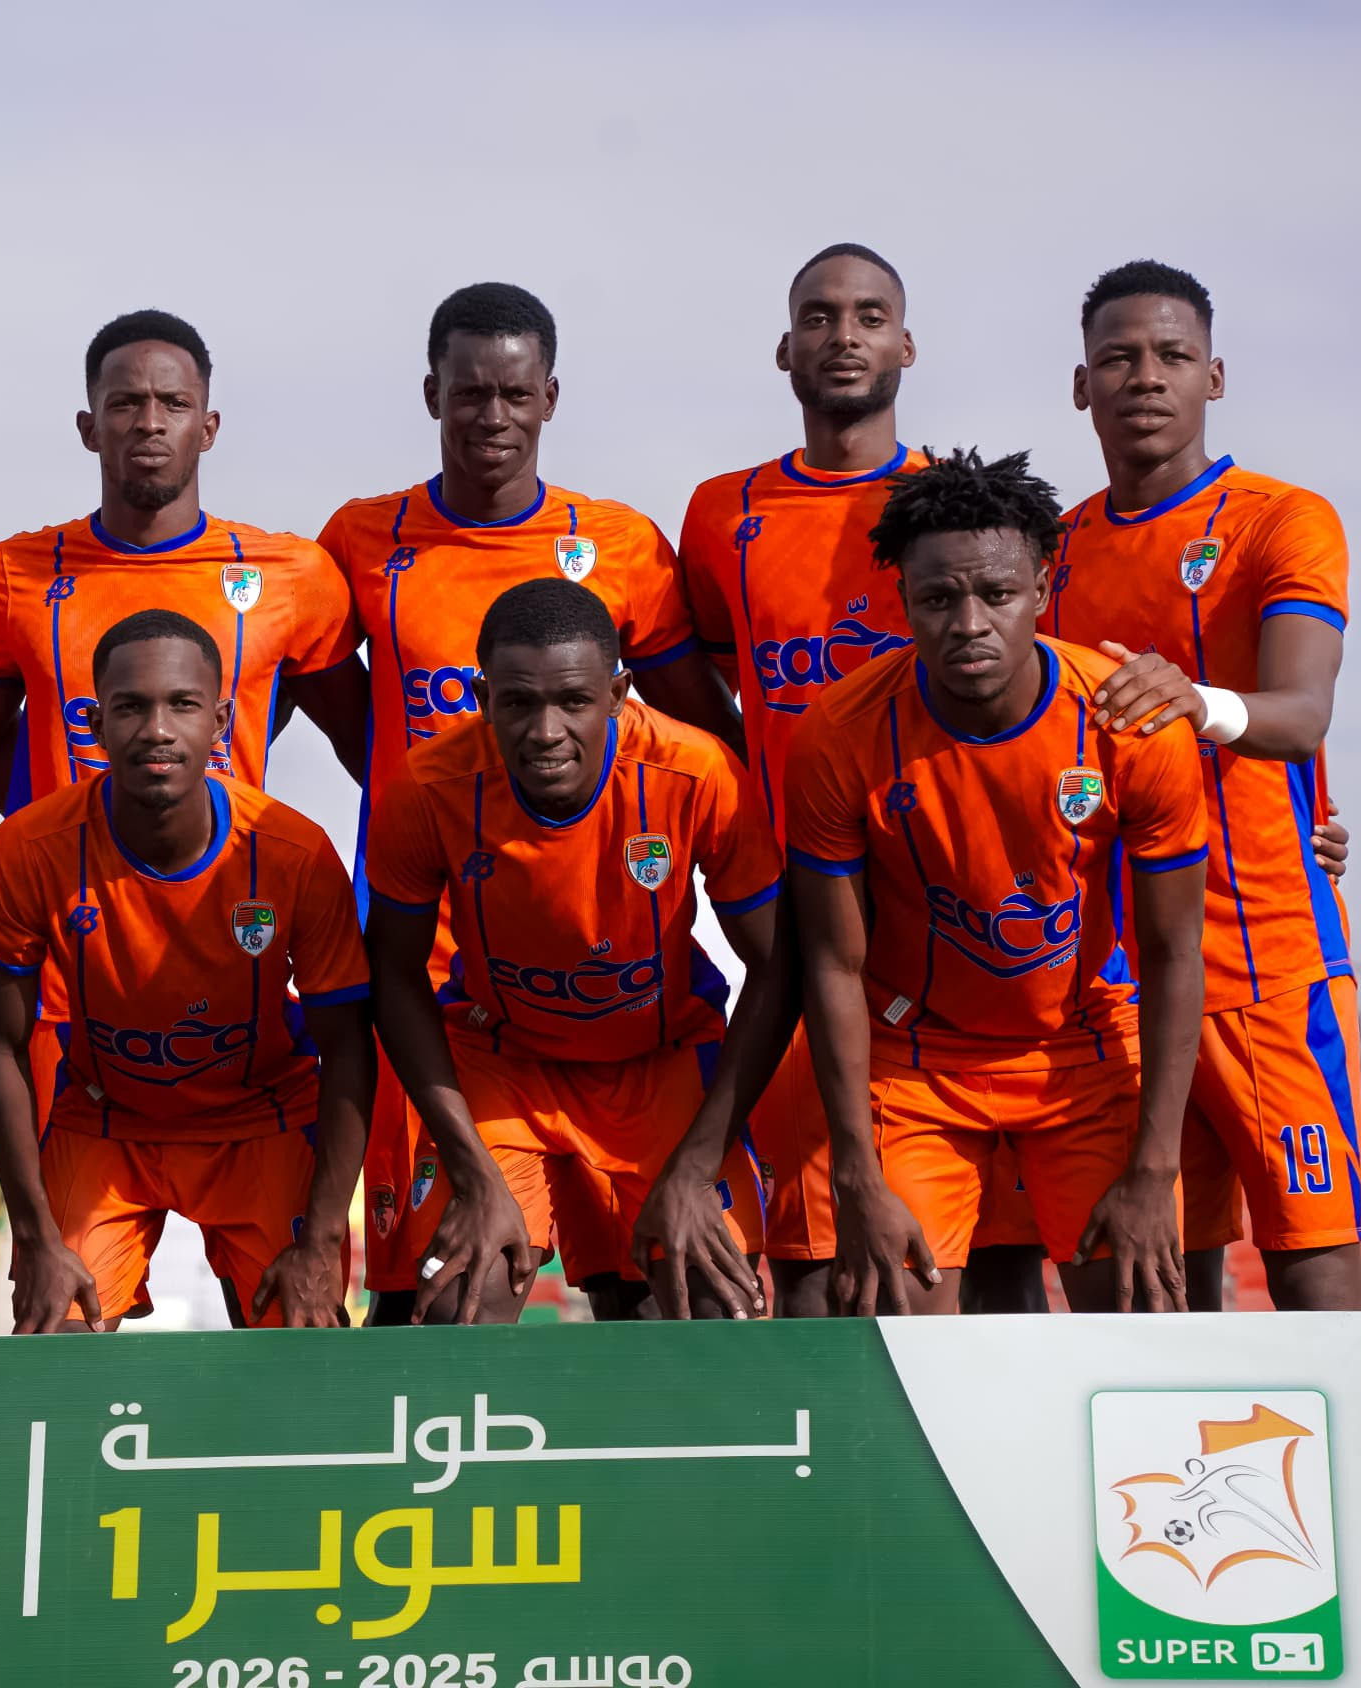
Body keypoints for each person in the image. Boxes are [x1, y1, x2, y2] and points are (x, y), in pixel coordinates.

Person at [1047, 260, 1361, 1682]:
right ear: (1078, 384)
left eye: (1168, 353)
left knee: (1325, 1306)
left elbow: (1299, 708)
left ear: (1212, 376)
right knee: (1149, 1307)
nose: (1143, 375)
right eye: (1117, 355)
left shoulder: (1282, 518)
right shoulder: (1053, 553)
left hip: (1268, 962)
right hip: (1109, 980)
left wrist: (1196, 703)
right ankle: (1187, 1631)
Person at [316, 282, 737, 1323]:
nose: (491, 416)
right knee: (432, 1289)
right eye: (469, 393)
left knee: (656, 1295)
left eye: (514, 393)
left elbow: (704, 723)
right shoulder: (361, 539)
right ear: (432, 395)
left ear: (550, 397)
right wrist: (443, 802)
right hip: (445, 980)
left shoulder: (621, 542)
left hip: (616, 977)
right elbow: (327, 706)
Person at [0, 310, 367, 1244]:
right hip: (65, 970)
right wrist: (44, 821)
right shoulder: (16, 574)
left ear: (209, 424)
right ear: (89, 426)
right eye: (123, 403)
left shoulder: (290, 575)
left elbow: (373, 749)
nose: (148, 421)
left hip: (228, 952)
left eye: (171, 403)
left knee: (275, 1287)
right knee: (60, 1281)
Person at [657, 245, 1047, 1317]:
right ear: (784, 348)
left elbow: (1048, 684)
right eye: (819, 316)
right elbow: (703, 691)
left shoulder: (959, 509)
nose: (843, 335)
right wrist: (752, 793)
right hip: (799, 912)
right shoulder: (720, 513)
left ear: (905, 346)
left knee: (995, 1258)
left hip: (955, 913)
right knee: (815, 1251)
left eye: (870, 316)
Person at [786, 448, 1208, 1318]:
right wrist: (856, 1175)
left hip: (1080, 1052)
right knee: (898, 1322)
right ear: (903, 600)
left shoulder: (1129, 727)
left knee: (1139, 1313)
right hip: (917, 1061)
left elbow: (1172, 951)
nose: (968, 623)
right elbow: (831, 962)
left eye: (997, 594)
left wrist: (1151, 1170)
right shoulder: (838, 733)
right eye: (938, 599)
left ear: (1042, 588)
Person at [364, 579, 789, 1324]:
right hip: (505, 1068)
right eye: (517, 703)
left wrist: (697, 1167)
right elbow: (393, 975)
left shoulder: (696, 772)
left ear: (618, 694)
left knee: (708, 1303)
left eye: (573, 701)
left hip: (658, 1066)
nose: (545, 731)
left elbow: (780, 964)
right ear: (481, 696)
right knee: (463, 1300)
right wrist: (471, 1171)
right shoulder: (425, 787)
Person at [0, 611, 373, 1332]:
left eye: (182, 704)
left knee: (299, 1342)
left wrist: (320, 1241)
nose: (157, 730)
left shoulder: (295, 854)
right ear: (93, 723)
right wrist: (34, 1234)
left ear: (221, 721)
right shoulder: (27, 850)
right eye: (130, 707)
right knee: (54, 1333)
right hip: (106, 1121)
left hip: (262, 1120)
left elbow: (348, 1046)